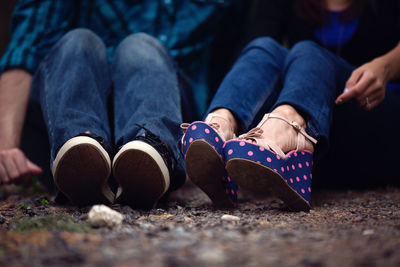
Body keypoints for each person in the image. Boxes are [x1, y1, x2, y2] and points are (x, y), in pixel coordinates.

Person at [0, 0, 247, 208]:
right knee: (78, 42)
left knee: (140, 48)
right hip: (74, 96)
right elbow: (25, 49)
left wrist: (210, 147)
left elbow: (229, 63)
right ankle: (80, 148)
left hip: (166, 98)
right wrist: (5, 148)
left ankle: (150, 149)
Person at [180, 0, 400, 211]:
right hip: (317, 138)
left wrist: (386, 67)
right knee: (262, 48)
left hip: (372, 122)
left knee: (308, 51)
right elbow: (255, 52)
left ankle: (289, 130)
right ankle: (222, 126)